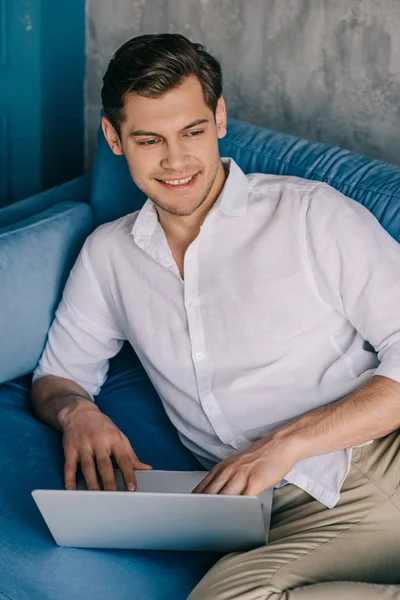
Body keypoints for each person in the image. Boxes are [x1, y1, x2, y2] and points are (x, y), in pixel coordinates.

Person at [31, 33, 400, 599]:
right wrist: (76, 410)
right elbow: (59, 377)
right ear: (114, 137)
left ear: (220, 118)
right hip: (243, 511)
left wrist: (287, 443)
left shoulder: (310, 215)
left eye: (192, 132)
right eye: (149, 139)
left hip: (360, 471)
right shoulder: (109, 255)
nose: (176, 161)